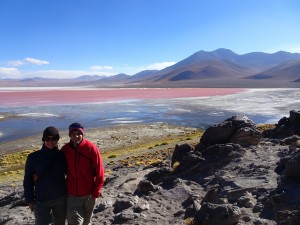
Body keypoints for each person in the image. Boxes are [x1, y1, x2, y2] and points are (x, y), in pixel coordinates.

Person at [62, 122, 105, 225]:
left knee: (86, 222)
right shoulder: (65, 150)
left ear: (83, 134)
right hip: (72, 195)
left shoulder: (91, 148)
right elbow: (58, 168)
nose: (76, 136)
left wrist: (96, 191)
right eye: (73, 133)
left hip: (89, 195)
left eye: (78, 133)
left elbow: (100, 170)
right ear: (69, 135)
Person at [23, 126, 67, 225]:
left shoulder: (61, 155)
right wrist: (29, 200)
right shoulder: (33, 157)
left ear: (57, 140)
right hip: (41, 200)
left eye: (54, 139)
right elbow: (28, 181)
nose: (51, 141)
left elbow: (70, 172)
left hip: (60, 198)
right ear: (43, 139)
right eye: (47, 139)